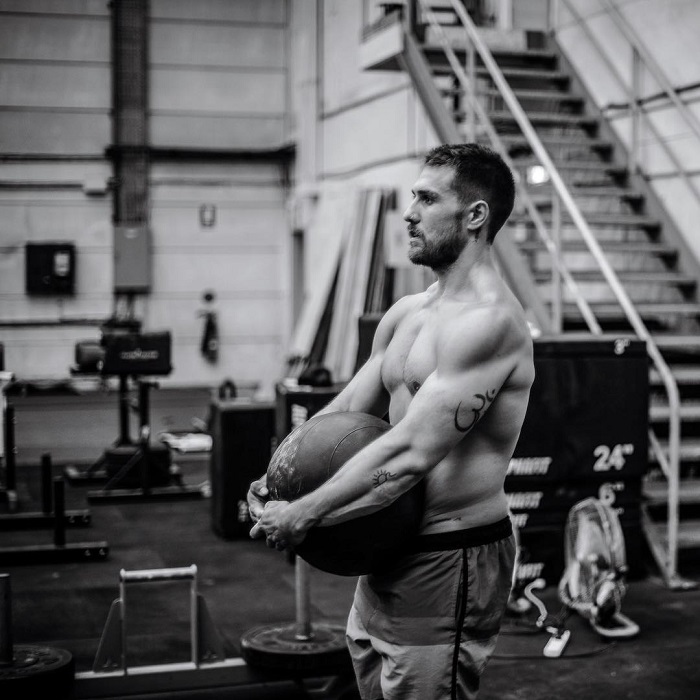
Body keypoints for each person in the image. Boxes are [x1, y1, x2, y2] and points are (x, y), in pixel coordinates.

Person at [247, 142, 535, 700]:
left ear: (475, 215)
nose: (409, 213)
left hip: (451, 556)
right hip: (385, 548)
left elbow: (408, 456)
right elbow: (345, 411)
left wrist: (303, 512)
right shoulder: (408, 313)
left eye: (427, 199)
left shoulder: (490, 324)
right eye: (413, 197)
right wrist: (276, 475)